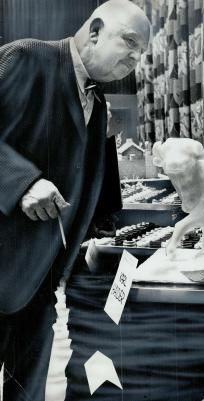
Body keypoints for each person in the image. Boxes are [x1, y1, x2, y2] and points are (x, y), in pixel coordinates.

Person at [0, 1, 150, 400]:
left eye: (141, 53)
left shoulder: (98, 105)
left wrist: (101, 237)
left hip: (42, 278)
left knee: (27, 389)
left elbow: (96, 190)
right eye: (130, 42)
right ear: (95, 30)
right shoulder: (27, 57)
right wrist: (21, 183)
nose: (135, 58)